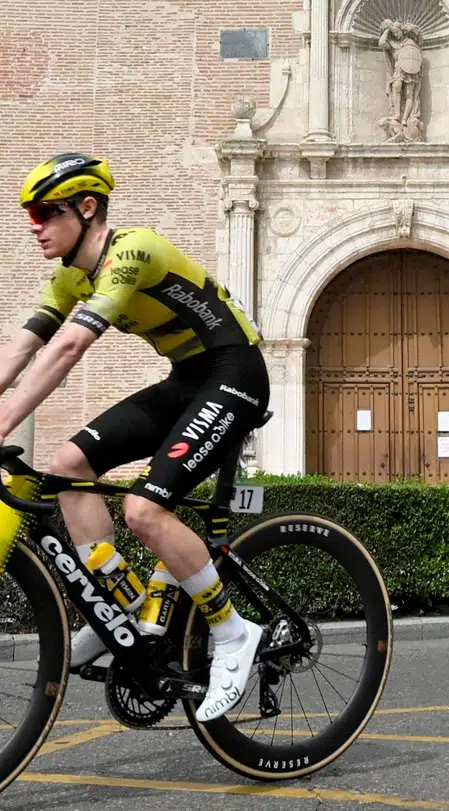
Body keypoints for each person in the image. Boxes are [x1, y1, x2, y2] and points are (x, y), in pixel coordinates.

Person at [0, 153, 272, 720]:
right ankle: (120, 616)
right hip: (187, 381)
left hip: (235, 373)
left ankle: (232, 633)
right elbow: (23, 348)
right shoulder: (71, 277)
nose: (34, 226)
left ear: (88, 207)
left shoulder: (132, 250)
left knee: (144, 511)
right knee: (64, 469)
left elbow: (69, 349)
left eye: (46, 213)